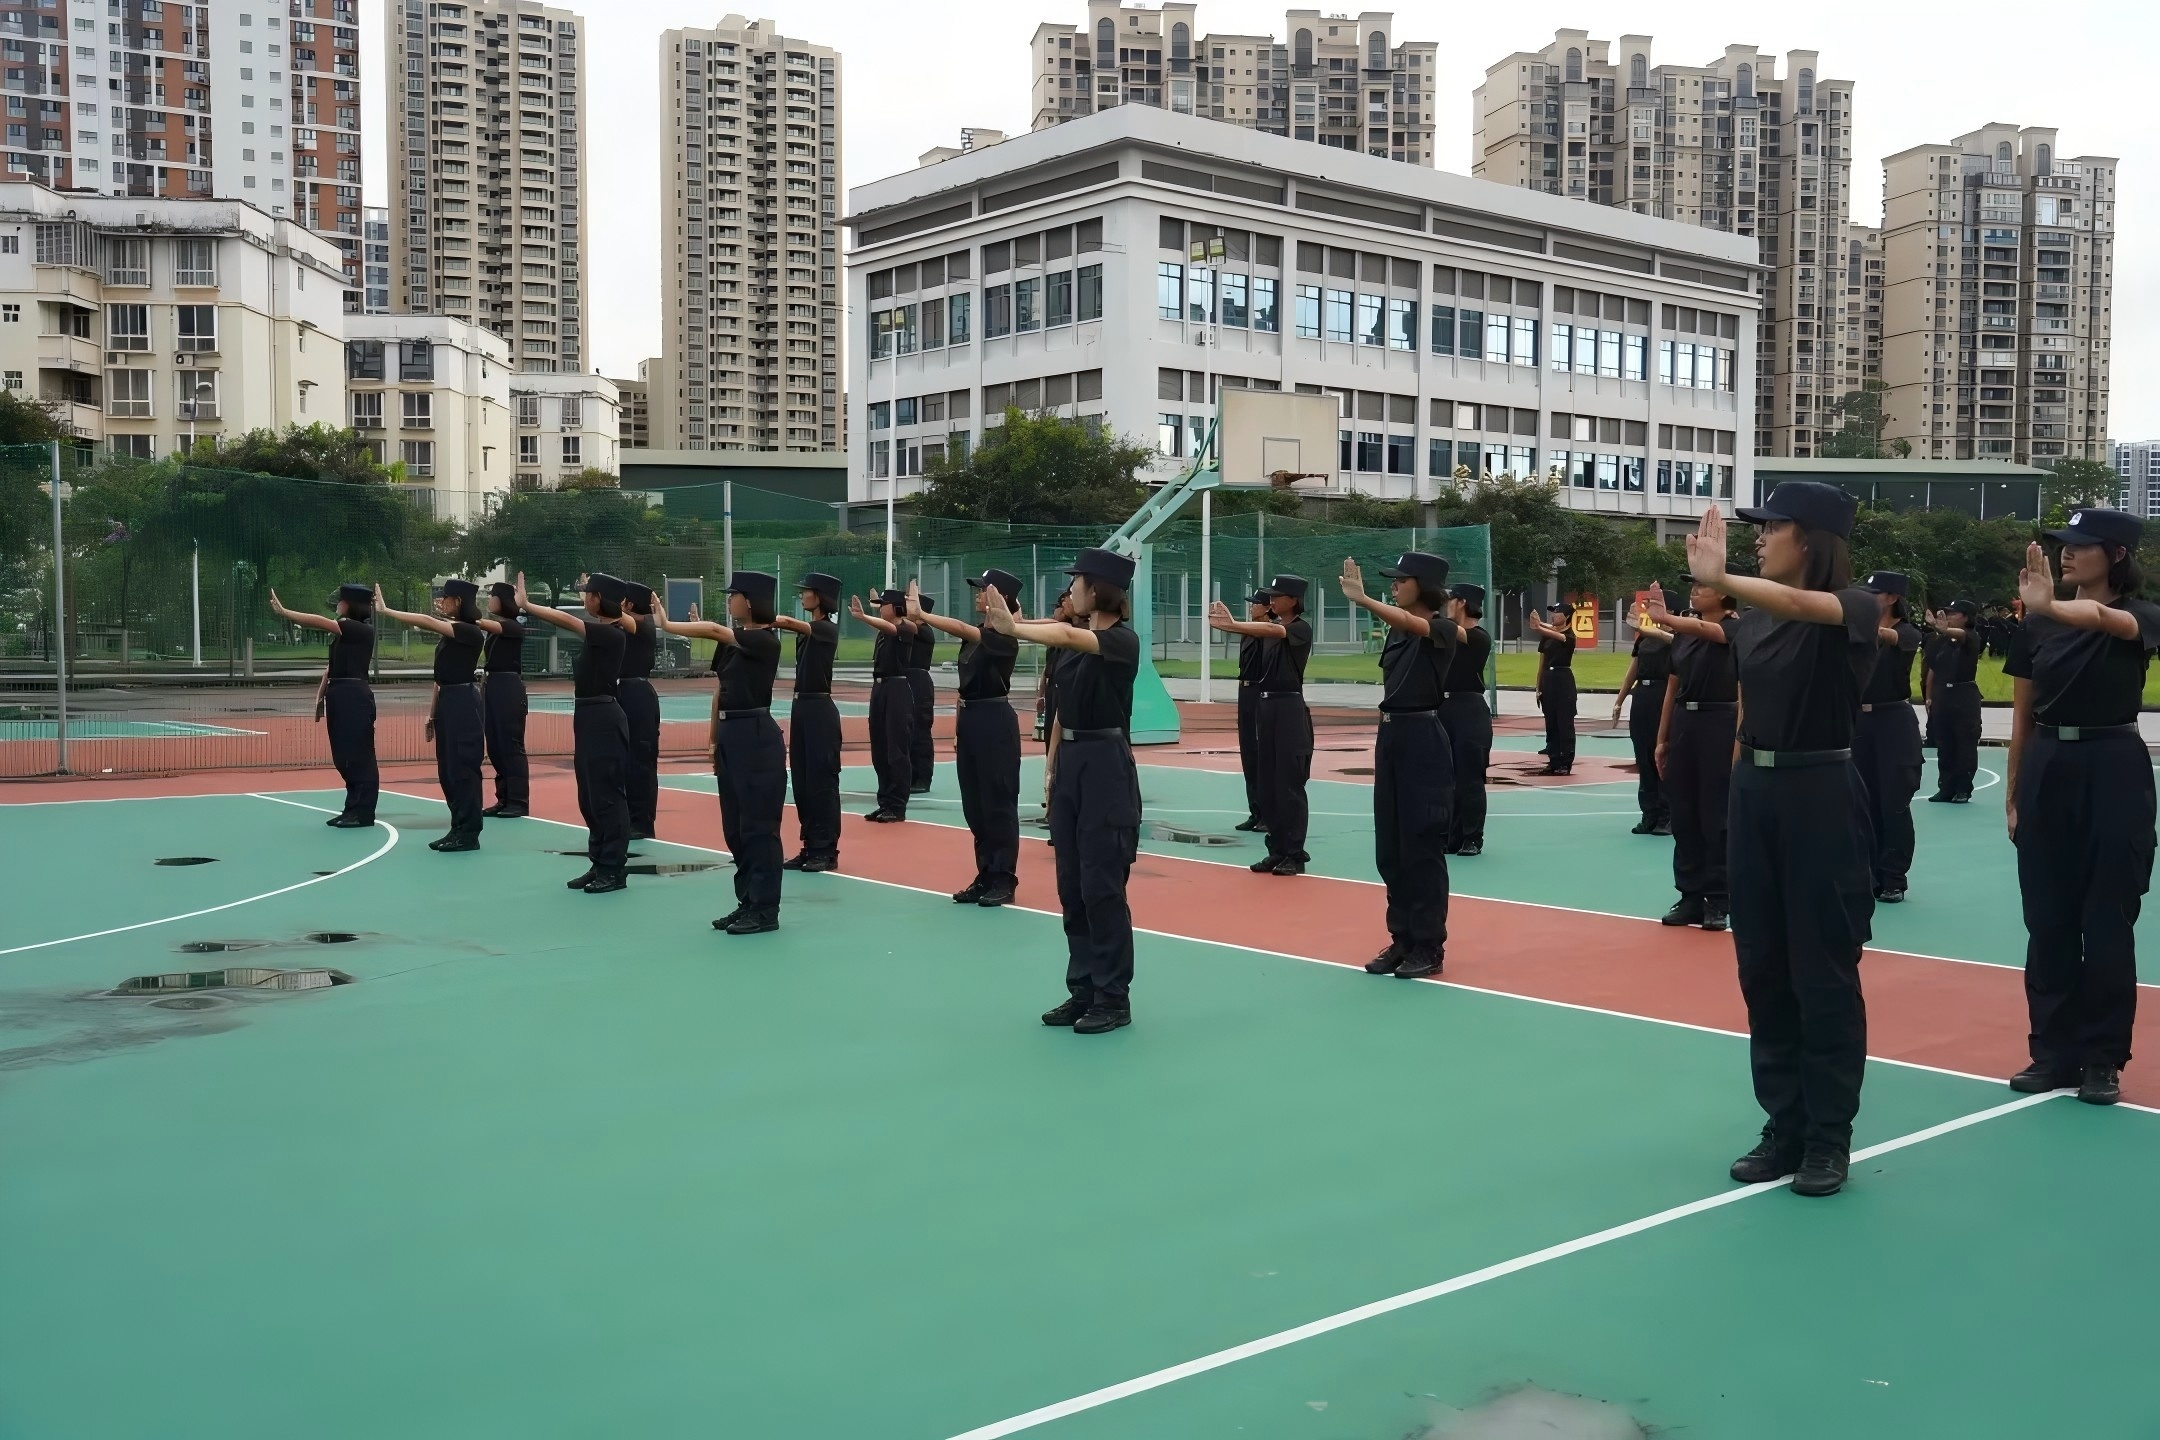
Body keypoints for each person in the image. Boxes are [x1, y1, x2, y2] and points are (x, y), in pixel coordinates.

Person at [1688, 481, 1877, 1198]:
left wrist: (1723, 578)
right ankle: (1785, 1124)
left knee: (1822, 973)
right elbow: (1748, 708)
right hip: (1757, 793)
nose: (1760, 539)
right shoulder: (1756, 623)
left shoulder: (1852, 606)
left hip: (1819, 793)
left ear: (1812, 539)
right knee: (1762, 968)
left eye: (1772, 527)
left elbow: (1805, 607)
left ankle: (1828, 1135)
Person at [2003, 513, 2160, 1107]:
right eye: (2061, 546)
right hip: (2049, 764)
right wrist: (2014, 795)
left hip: (2112, 766)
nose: (2065, 555)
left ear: (2116, 554)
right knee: (2047, 920)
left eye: (2079, 546)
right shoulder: (2037, 625)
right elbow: (2022, 716)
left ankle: (2102, 1058)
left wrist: (2048, 605)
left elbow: (2105, 620)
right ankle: (2052, 1052)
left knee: (2108, 920)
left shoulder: (2142, 615)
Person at [983, 547, 1142, 1035]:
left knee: (1102, 887)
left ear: (1098, 590)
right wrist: (1051, 771)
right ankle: (1084, 989)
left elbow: (1070, 634)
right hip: (1071, 762)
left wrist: (1013, 629)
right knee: (1071, 886)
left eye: (1077, 581)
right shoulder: (1071, 644)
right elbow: (1061, 715)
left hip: (1105, 765)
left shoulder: (1121, 640)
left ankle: (1113, 997)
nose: (1071, 589)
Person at [1340, 552, 1458, 979]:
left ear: (1424, 586)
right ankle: (1402, 939)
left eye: (1401, 580)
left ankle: (1428, 944)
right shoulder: (1397, 631)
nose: (1394, 585)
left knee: (1421, 845)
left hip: (1423, 738)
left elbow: (1414, 623)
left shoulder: (1444, 628)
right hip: (1390, 735)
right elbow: (1402, 623)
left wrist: (1363, 600)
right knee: (1390, 848)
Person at [657, 575, 788, 935]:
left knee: (759, 828)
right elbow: (721, 690)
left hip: (755, 735)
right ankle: (747, 901)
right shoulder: (735, 642)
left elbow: (714, 629)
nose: (730, 601)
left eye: (735, 595)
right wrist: (714, 741)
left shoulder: (764, 640)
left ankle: (765, 908)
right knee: (735, 828)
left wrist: (668, 624)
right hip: (731, 735)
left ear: (751, 601)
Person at [516, 570, 631, 894]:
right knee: (590, 795)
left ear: (600, 599)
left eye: (588, 594)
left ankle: (613, 868)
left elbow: (568, 621)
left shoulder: (613, 634)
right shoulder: (604, 631)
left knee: (607, 795)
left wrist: (528, 605)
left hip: (603, 717)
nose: (585, 598)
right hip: (589, 715)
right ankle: (599, 862)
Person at [913, 571, 1023, 907]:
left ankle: (1003, 878)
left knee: (998, 803)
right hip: (973, 719)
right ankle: (986, 873)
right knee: (975, 805)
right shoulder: (976, 635)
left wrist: (923, 615)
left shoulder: (1004, 636)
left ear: (1000, 598)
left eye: (983, 590)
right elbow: (964, 687)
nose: (977, 594)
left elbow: (960, 628)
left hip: (995, 720)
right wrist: (959, 728)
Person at [1646, 581, 1738, 932]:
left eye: (1703, 586)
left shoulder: (1735, 628)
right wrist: (1662, 739)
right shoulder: (1685, 633)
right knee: (1684, 813)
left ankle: (1718, 898)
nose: (1694, 592)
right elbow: (1673, 686)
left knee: (1716, 816)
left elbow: (1711, 632)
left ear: (1724, 593)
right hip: (1686, 720)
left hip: (1719, 721)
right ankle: (1690, 895)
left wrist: (1666, 618)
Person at [371, 579, 488, 852]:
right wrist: (432, 713)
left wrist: (387, 611)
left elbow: (426, 621)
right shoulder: (452, 632)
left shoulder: (470, 631)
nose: (442, 602)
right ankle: (457, 827)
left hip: (463, 702)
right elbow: (440, 679)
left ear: (458, 601)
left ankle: (468, 833)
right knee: (447, 769)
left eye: (446, 597)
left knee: (463, 768)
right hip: (448, 700)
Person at [1208, 574, 1313, 876]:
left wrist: (1232, 625)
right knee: (1267, 782)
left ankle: (1294, 853)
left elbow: (1272, 629)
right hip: (1265, 705)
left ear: (1293, 600)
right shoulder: (1270, 629)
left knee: (1289, 784)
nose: (1272, 601)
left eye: (1277, 597)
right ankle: (1276, 849)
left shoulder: (1298, 628)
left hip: (1288, 706)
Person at [269, 582, 377, 828]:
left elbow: (318, 621)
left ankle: (363, 811)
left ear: (351, 605)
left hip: (354, 695)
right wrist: (320, 697)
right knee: (343, 755)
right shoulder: (344, 633)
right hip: (339, 694)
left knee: (357, 755)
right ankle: (352, 808)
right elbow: (330, 669)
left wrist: (286, 612)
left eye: (342, 600)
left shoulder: (358, 629)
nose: (337, 604)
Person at [1852, 571, 1924, 904]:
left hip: (1893, 722)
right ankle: (1867, 873)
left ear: (1893, 598)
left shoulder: (1907, 632)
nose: (1867, 599)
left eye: (1874, 594)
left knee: (1894, 802)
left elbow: (1893, 638)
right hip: (1858, 722)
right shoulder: (1857, 633)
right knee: (1860, 802)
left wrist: (1859, 624)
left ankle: (1893, 877)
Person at [774, 572, 843, 872]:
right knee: (802, 782)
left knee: (821, 781)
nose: (802, 596)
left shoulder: (825, 628)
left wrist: (766, 617)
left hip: (819, 709)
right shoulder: (810, 631)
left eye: (807, 591)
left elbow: (791, 624)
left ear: (820, 597)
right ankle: (810, 844)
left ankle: (826, 849)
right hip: (801, 707)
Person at [850, 587, 917, 821]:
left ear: (897, 607)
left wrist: (863, 617)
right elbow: (884, 627)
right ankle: (885, 800)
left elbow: (892, 628)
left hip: (896, 689)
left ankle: (897, 805)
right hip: (879, 688)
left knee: (896, 749)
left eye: (884, 604)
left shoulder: (907, 627)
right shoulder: (884, 630)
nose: (880, 608)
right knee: (880, 748)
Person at [1439, 583, 1493, 857]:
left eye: (1450, 599)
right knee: (1446, 778)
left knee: (1469, 777)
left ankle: (1472, 837)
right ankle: (1452, 835)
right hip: (1443, 708)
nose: (1445, 604)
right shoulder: (1447, 633)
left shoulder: (1478, 637)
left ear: (1461, 602)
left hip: (1469, 710)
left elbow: (1451, 630)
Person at [1613, 601, 1676, 835]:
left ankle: (1667, 816)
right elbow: (1634, 668)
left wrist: (1642, 627)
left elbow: (1669, 639)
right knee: (1643, 754)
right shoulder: (1644, 638)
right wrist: (1620, 699)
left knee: (1663, 756)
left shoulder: (1680, 635)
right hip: (1643, 694)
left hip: (1664, 693)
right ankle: (1649, 813)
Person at [478, 581, 530, 819]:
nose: (490, 600)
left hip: (508, 687)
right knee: (496, 745)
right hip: (492, 686)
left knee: (511, 745)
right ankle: (503, 797)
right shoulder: (496, 628)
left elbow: (484, 624)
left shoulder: (513, 626)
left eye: (493, 596)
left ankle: (518, 801)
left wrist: (466, 616)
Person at [1923, 600, 1983, 803]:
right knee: (1944, 744)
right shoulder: (1939, 641)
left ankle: (1963, 788)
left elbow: (1961, 635)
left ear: (1966, 617)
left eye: (1954, 613)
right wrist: (1929, 696)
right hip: (1943, 695)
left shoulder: (1971, 636)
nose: (1949, 616)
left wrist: (1944, 629)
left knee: (1965, 743)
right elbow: (1932, 669)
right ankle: (1946, 787)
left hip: (1963, 695)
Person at [618, 581, 663, 841]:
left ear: (631, 603)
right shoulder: (628, 624)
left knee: (640, 760)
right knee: (625, 759)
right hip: (624, 692)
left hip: (639, 695)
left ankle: (642, 821)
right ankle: (629, 817)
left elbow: (619, 616)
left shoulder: (644, 623)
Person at [1233, 587, 1274, 833]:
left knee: (1261, 755)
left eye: (1256, 603)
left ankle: (1268, 814)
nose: (1251, 607)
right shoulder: (1249, 631)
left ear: (1268, 607)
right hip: (1246, 690)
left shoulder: (1271, 632)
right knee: (1248, 753)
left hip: (1259, 690)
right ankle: (1255, 811)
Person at [1526, 600, 1579, 775]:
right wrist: (1538, 686)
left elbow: (1560, 636)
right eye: (1553, 612)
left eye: (1557, 612)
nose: (1553, 615)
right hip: (1548, 679)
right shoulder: (1548, 636)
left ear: (1567, 616)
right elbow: (1542, 662)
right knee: (1551, 722)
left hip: (1563, 679)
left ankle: (1565, 762)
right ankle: (1553, 760)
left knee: (1564, 722)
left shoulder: (1569, 636)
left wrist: (1538, 626)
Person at [907, 596, 939, 795]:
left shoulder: (924, 630)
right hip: (908, 679)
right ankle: (910, 774)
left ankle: (923, 777)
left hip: (919, 681)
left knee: (920, 731)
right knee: (908, 730)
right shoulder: (913, 629)